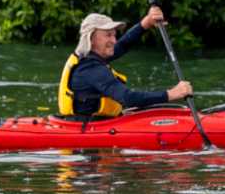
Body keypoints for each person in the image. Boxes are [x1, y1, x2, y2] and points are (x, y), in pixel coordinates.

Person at [57, 6, 193, 119]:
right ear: (91, 39)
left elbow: (123, 45)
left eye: (114, 34)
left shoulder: (91, 55)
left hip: (97, 122)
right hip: (88, 129)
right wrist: (172, 94)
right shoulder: (90, 68)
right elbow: (128, 98)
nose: (114, 40)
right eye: (108, 35)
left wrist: (146, 23)